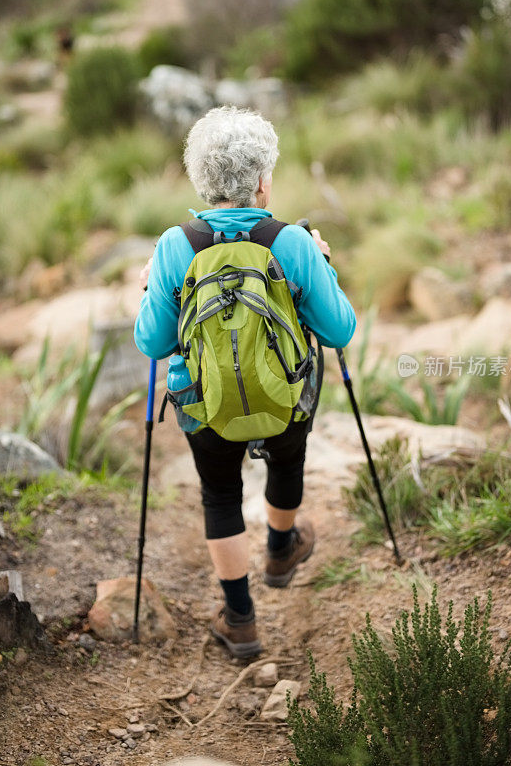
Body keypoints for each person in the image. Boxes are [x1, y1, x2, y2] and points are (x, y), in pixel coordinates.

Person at [134, 105, 356, 657]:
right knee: (287, 462)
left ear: (202, 180)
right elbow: (338, 330)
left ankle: (240, 619)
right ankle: (281, 551)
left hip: (204, 405)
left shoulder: (174, 245)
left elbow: (153, 344)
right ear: (262, 180)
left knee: (220, 495)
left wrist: (147, 290)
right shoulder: (293, 242)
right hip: (285, 401)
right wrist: (323, 266)